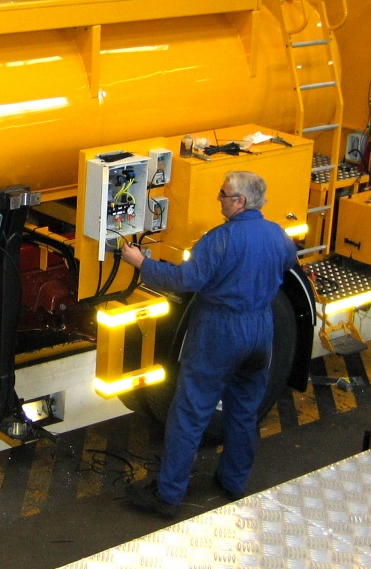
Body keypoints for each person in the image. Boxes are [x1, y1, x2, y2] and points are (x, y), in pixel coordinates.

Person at [119, 170, 297, 518]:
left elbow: (187, 280)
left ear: (241, 201)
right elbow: (289, 263)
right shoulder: (278, 235)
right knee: (244, 410)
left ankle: (168, 495)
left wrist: (142, 263)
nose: (219, 199)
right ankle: (233, 482)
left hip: (220, 330)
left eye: (224, 194)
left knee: (190, 413)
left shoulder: (220, 239)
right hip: (261, 328)